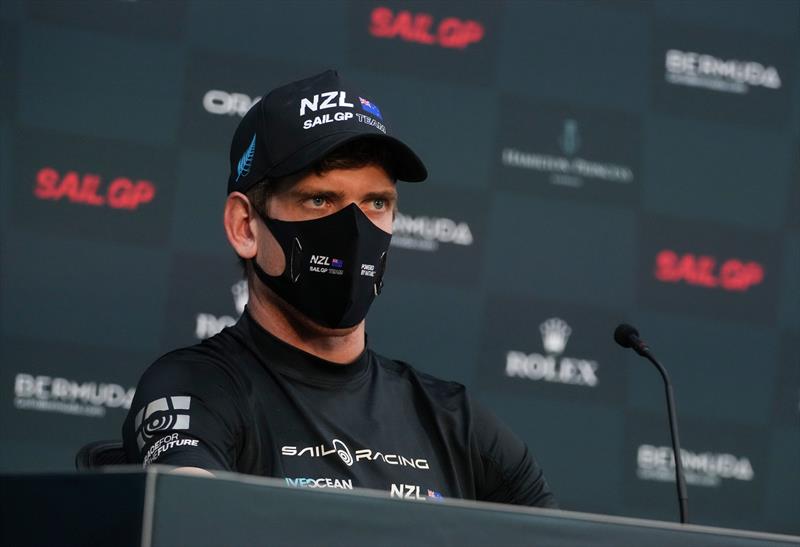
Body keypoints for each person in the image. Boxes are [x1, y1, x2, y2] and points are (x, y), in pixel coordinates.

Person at [122, 70, 557, 507]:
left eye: (377, 202)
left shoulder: (455, 421)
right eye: (320, 199)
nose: (354, 230)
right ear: (244, 226)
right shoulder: (196, 389)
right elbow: (192, 519)